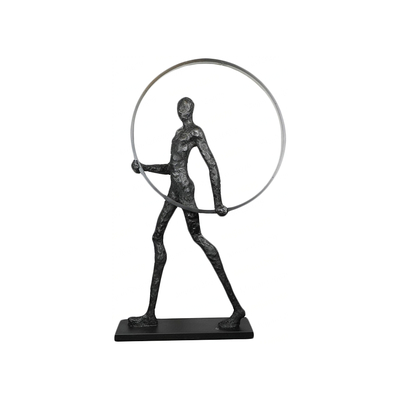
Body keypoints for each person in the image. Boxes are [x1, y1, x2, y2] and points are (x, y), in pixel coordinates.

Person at [129, 97, 245, 330]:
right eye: (179, 107)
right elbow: (172, 168)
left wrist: (218, 202)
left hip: (185, 192)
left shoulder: (195, 133)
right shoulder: (177, 134)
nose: (181, 110)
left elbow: (212, 165)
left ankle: (237, 308)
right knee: (157, 236)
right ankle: (150, 315)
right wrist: (144, 167)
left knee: (198, 237)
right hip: (174, 191)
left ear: (191, 110)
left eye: (185, 107)